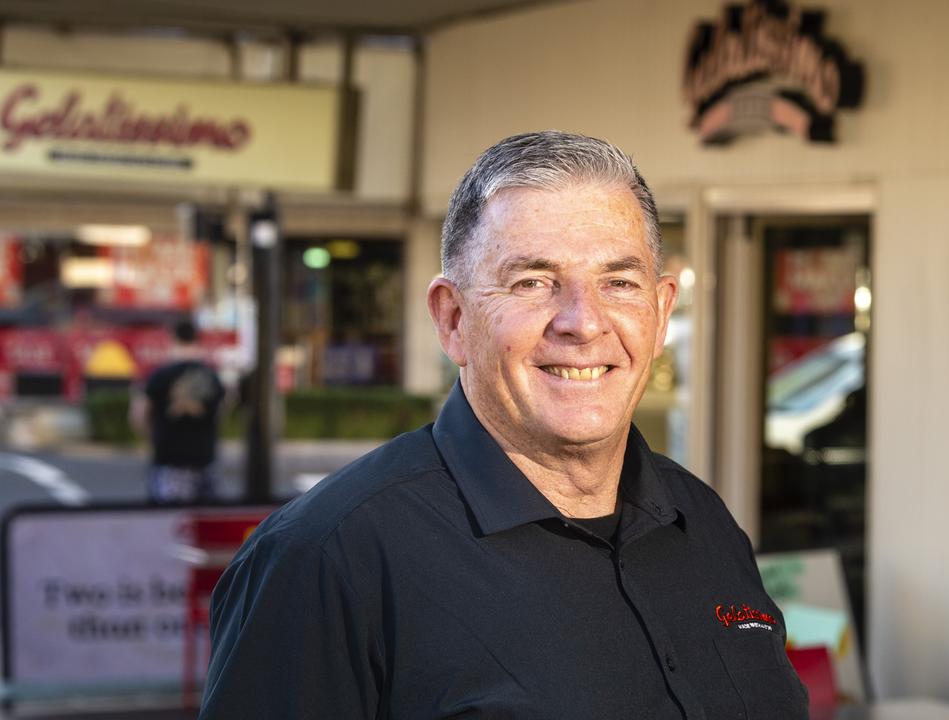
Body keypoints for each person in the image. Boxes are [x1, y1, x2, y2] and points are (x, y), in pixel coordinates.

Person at [198, 131, 809, 719]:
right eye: (534, 282)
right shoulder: (326, 559)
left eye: (618, 282)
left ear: (661, 310)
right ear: (453, 319)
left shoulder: (703, 522)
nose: (582, 322)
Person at [129, 318, 225, 504]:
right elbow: (220, 414)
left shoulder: (159, 375)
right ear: (197, 339)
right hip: (205, 461)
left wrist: (153, 438)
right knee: (206, 525)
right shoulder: (212, 376)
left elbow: (139, 415)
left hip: (169, 463)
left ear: (172, 338)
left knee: (168, 525)